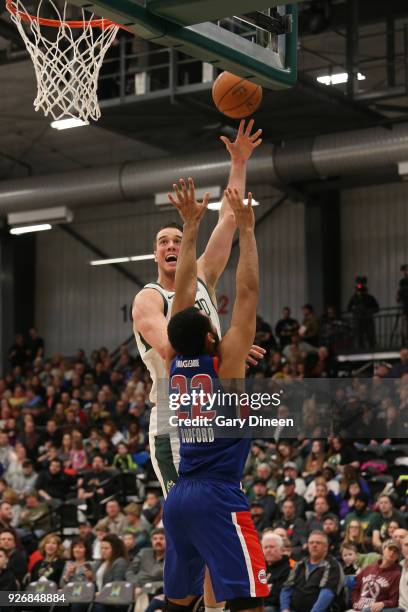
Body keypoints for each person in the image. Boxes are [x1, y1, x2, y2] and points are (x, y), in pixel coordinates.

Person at [132, 119, 263, 499]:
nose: (171, 245)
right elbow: (174, 351)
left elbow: (229, 218)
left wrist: (238, 162)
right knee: (187, 522)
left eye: (177, 239)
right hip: (175, 421)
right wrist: (224, 348)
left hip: (216, 411)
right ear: (156, 254)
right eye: (163, 242)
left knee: (216, 516)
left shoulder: (203, 272)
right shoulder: (149, 298)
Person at [162, 182, 269, 611]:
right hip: (217, 495)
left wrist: (190, 228)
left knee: (180, 601)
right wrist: (247, 230)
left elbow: (183, 293)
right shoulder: (227, 367)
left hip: (180, 497)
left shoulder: (172, 360)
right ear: (212, 336)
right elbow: (247, 292)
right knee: (250, 600)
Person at [280, 530, 345, 612]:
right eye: (311, 543)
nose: (314, 545)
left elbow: (327, 594)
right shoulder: (299, 564)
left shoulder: (332, 565)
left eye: (318, 543)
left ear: (326, 547)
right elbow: (287, 588)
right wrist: (285, 609)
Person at [349, 540, 401, 611]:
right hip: (358, 608)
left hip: (374, 609)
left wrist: (383, 604)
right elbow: (356, 588)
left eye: (396, 552)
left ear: (398, 556)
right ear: (383, 550)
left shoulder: (397, 574)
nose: (392, 553)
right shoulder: (369, 568)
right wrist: (355, 602)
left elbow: (394, 600)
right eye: (390, 549)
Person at [262, 533, 291, 612]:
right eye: (265, 547)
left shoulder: (288, 568)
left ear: (282, 550)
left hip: (275, 607)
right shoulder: (260, 568)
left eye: (272, 547)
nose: (268, 550)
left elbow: (277, 597)